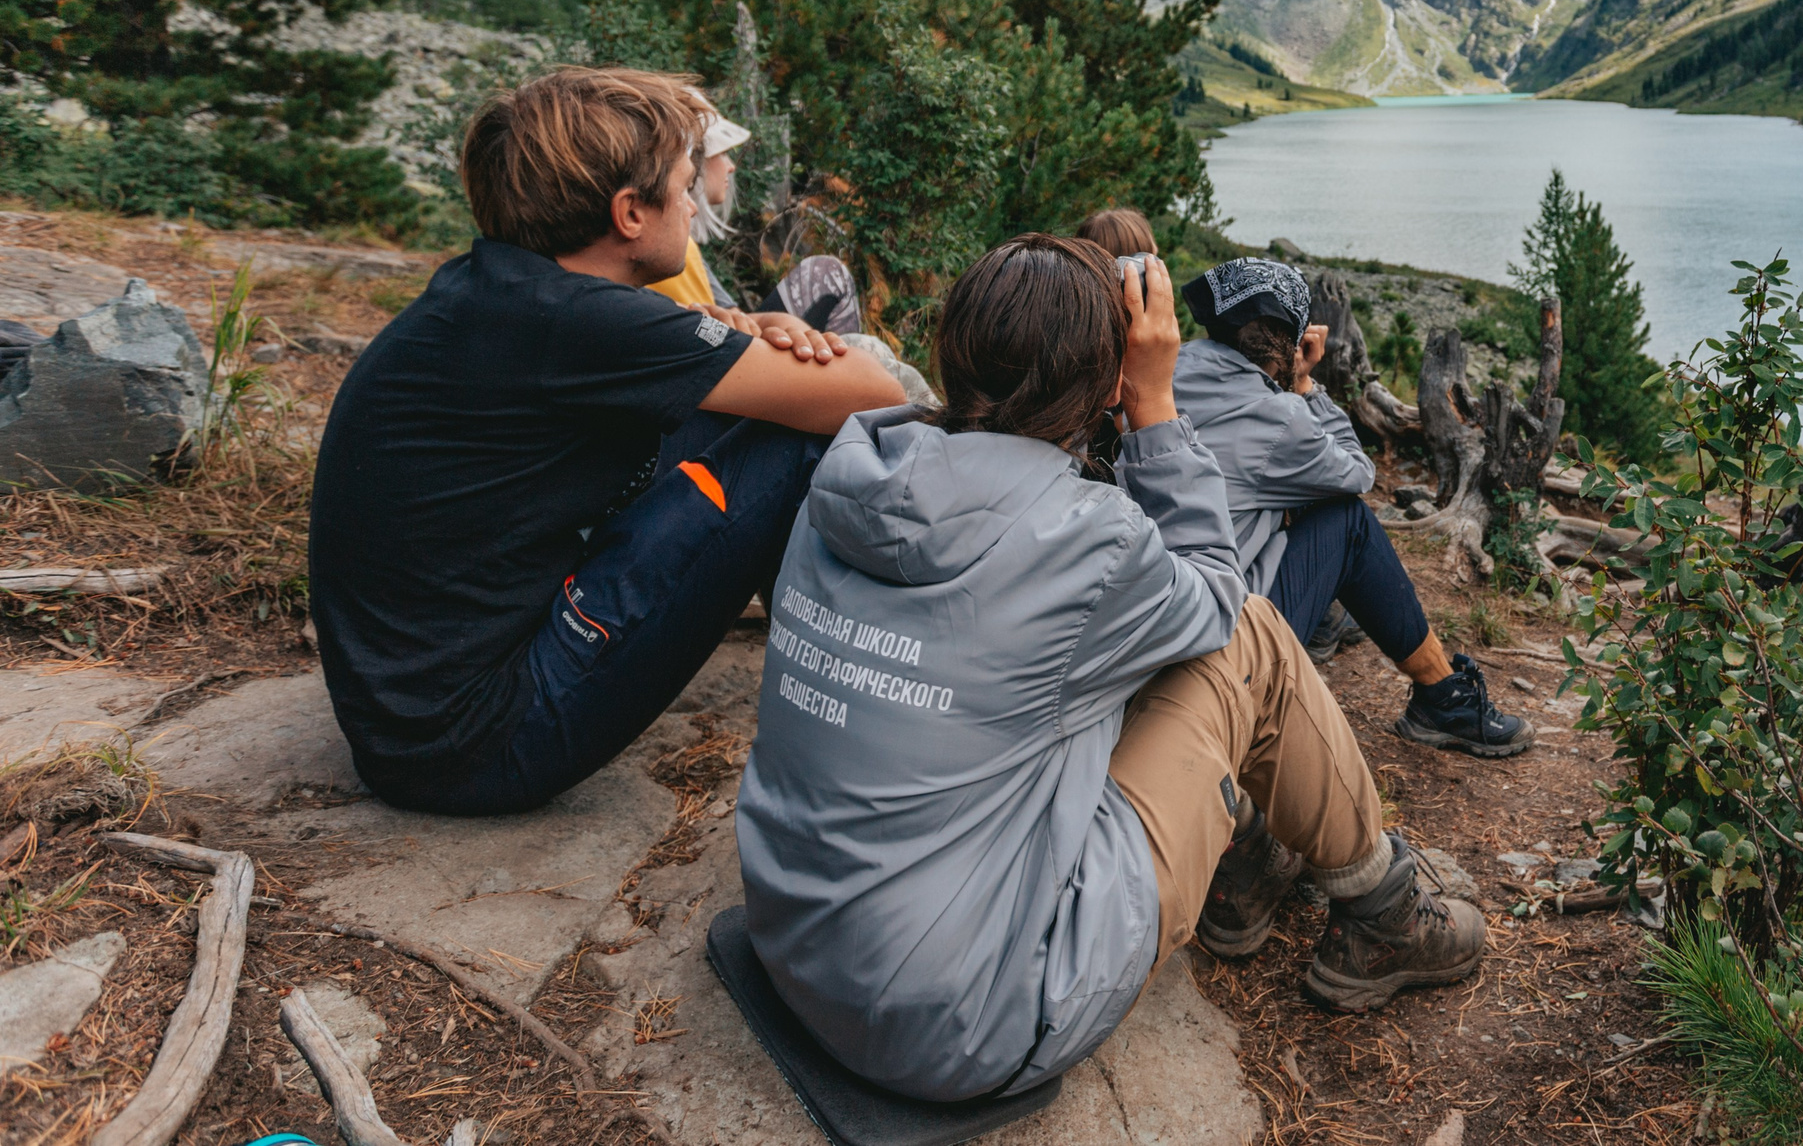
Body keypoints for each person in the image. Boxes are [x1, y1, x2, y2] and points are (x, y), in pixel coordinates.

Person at [737, 236, 1484, 1104]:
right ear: (1106, 382)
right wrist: (1156, 407)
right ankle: (1385, 909)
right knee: (1249, 632)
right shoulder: (1081, 537)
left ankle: (1247, 869)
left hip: (793, 941)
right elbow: (1214, 603)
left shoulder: (848, 473)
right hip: (966, 1019)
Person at [307, 67, 908, 815]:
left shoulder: (503, 292)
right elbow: (878, 395)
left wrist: (741, 337)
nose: (692, 205)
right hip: (480, 744)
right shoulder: (578, 321)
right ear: (629, 213)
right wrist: (786, 352)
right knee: (789, 443)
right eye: (684, 187)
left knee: (735, 413)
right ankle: (864, 715)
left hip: (407, 723)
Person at [1173, 258, 1531, 760]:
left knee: (1283, 503)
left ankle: (1324, 624)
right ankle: (1442, 696)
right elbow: (1357, 472)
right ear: (1289, 343)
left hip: (1171, 615)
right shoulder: (1278, 420)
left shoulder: (1173, 368)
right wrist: (1304, 385)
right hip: (1224, 650)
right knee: (1347, 520)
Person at [647, 98, 860, 337]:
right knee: (828, 275)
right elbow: (709, 333)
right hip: (722, 353)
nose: (731, 166)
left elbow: (728, 320)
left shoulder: (682, 248)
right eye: (722, 153)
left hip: (723, 345)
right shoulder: (668, 246)